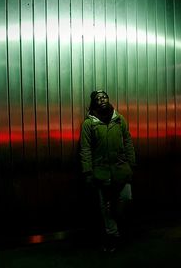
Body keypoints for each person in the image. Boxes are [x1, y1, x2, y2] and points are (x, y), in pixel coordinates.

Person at [79, 90, 136, 252]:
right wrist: (88, 172)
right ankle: (113, 235)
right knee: (105, 206)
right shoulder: (89, 124)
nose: (101, 99)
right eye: (98, 98)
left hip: (121, 170)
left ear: (108, 99)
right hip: (101, 172)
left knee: (125, 198)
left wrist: (132, 165)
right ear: (93, 103)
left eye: (104, 96)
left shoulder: (119, 119)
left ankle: (116, 228)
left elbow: (128, 141)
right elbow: (85, 150)